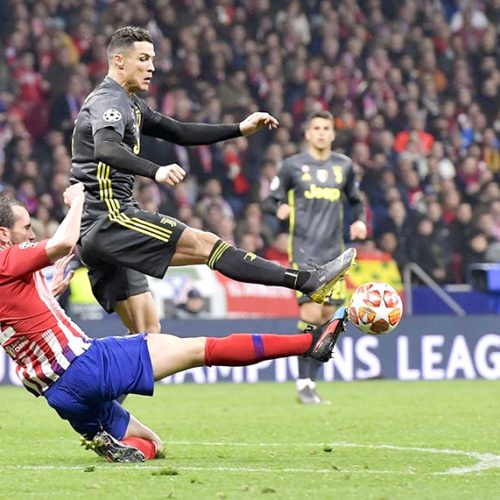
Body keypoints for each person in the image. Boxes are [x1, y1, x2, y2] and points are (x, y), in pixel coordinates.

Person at [0, 185, 348, 463]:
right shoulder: (5, 258)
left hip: (58, 394)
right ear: (3, 234)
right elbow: (62, 243)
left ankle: (119, 448)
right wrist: (77, 200)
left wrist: (49, 293)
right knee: (201, 349)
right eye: (26, 228)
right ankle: (309, 344)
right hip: (85, 365)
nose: (31, 234)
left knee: (151, 443)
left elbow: (16, 317)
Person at [70, 26, 356, 334]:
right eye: (143, 59)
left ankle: (94, 370)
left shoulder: (131, 104)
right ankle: (307, 281)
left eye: (152, 59)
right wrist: (156, 170)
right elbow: (106, 148)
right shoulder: (109, 100)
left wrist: (239, 129)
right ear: (119, 60)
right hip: (111, 218)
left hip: (96, 230)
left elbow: (179, 131)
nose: (151, 67)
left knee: (147, 334)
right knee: (208, 245)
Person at [265, 111, 367, 404]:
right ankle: (303, 383)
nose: (321, 132)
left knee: (328, 318)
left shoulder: (344, 166)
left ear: (332, 134)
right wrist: (279, 208)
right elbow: (269, 199)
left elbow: (356, 200)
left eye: (326, 128)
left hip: (335, 253)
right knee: (310, 314)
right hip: (304, 251)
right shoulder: (292, 166)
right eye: (316, 128)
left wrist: (360, 220)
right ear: (308, 134)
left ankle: (310, 381)